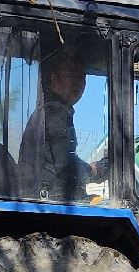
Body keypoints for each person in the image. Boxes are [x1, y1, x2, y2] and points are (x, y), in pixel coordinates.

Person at [17, 47, 100, 199]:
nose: (78, 82)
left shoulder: (53, 111)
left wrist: (91, 169)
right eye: (71, 75)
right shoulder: (55, 113)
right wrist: (93, 170)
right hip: (45, 200)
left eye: (81, 76)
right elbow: (64, 169)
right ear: (54, 79)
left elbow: (63, 161)